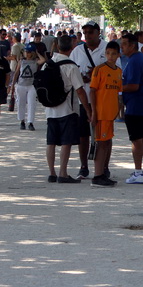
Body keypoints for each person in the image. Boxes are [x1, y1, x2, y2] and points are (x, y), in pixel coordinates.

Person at [45, 35, 90, 183]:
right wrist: (88, 110)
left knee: (51, 142)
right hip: (68, 109)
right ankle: (62, 173)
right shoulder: (71, 66)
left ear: (58, 46)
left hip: (50, 110)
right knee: (66, 141)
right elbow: (80, 91)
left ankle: (51, 172)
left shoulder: (48, 64)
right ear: (71, 48)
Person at [119, 33, 143, 184]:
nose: (122, 47)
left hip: (137, 104)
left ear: (132, 45)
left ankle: (138, 172)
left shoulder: (134, 61)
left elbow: (134, 85)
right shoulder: (142, 58)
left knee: (136, 139)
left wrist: (117, 88)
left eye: (124, 44)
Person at [69, 20, 105, 179]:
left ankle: (104, 166)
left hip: (103, 99)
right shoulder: (77, 51)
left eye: (91, 32)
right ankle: (84, 166)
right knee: (83, 134)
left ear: (98, 33)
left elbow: (116, 71)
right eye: (85, 33)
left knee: (103, 135)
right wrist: (80, 78)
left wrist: (95, 74)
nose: (88, 36)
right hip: (83, 99)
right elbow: (69, 71)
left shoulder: (107, 49)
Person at [89, 40, 123, 187]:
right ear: (105, 54)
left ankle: (103, 172)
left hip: (110, 114)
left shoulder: (118, 71)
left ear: (118, 55)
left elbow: (118, 93)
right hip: (101, 113)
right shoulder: (99, 70)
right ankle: (97, 175)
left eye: (114, 54)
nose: (111, 56)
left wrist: (118, 110)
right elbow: (92, 90)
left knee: (107, 142)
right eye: (108, 53)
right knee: (101, 144)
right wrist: (93, 112)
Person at [13, 43, 39, 131]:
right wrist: (12, 85)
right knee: (21, 103)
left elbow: (43, 60)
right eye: (26, 52)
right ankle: (22, 121)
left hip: (31, 85)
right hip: (21, 84)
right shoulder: (21, 61)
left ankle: (30, 122)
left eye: (30, 52)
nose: (27, 54)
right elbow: (17, 73)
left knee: (32, 103)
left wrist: (37, 53)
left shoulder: (35, 61)